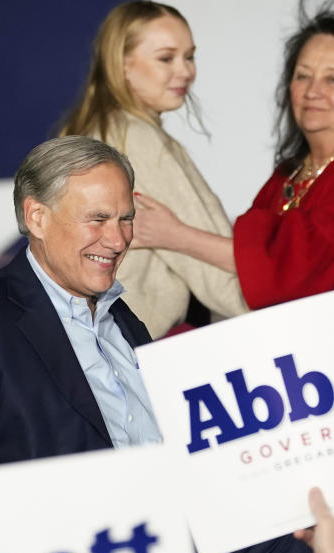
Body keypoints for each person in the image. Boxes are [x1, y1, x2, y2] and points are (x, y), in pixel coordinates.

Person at [0, 136, 334, 553]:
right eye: (97, 219)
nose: (117, 239)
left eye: (126, 219)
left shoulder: (123, 319)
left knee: (315, 547)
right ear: (36, 217)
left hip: (183, 538)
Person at [130, 5, 334, 543]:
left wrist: (178, 237)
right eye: (302, 75)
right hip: (289, 413)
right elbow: (246, 289)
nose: (312, 89)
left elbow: (293, 271)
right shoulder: (289, 176)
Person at [59, 1, 247, 339]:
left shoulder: (89, 133)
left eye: (189, 56)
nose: (185, 70)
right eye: (166, 58)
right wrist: (277, 315)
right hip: (137, 350)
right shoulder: (139, 140)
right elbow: (210, 273)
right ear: (122, 65)